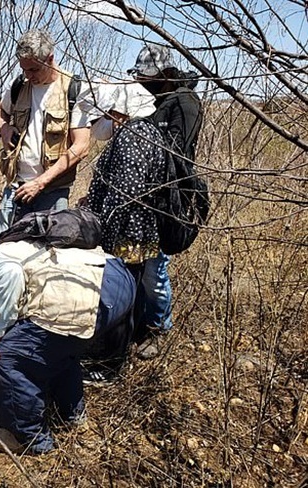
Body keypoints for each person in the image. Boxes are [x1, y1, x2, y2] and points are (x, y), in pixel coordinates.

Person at [0, 236, 135, 454]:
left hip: (89, 293)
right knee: (56, 346)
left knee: (6, 358)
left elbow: (10, 275)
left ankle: (28, 439)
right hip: (116, 280)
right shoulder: (8, 248)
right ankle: (72, 416)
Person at [0, 29, 114, 236]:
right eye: (24, 70)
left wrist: (40, 182)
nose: (28, 76)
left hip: (51, 193)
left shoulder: (75, 89)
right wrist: (5, 129)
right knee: (3, 256)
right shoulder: (18, 85)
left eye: (33, 69)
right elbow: (0, 109)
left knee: (46, 259)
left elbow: (81, 147)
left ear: (50, 59)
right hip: (15, 188)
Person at [126, 44, 203, 359]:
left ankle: (158, 329)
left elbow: (176, 154)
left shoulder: (184, 104)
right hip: (145, 195)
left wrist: (141, 141)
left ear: (167, 75)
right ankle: (138, 324)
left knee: (155, 269)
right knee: (138, 262)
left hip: (168, 197)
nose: (145, 84)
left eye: (151, 79)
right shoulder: (159, 100)